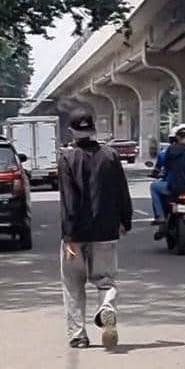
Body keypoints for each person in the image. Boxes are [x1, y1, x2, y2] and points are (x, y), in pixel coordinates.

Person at [59, 109, 132, 351]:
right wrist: (125, 221)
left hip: (77, 234)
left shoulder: (68, 159)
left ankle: (78, 335)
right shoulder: (111, 156)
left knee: (73, 285)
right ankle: (107, 308)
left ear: (72, 131)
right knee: (106, 280)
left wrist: (68, 237)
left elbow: (69, 201)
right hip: (106, 231)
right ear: (93, 129)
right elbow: (122, 192)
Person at [151, 124, 185, 232]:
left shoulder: (170, 150)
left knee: (153, 187)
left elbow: (167, 167)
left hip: (173, 187)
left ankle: (160, 215)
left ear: (177, 137)